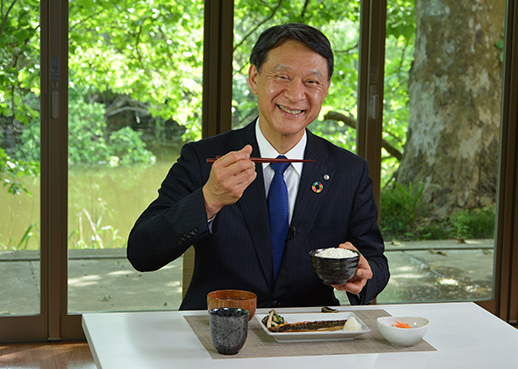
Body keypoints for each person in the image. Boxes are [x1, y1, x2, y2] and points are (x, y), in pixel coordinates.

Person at [127, 23, 390, 309]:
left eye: (311, 82)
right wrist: (208, 199)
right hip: (217, 330)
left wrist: (365, 275)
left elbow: (375, 261)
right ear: (254, 78)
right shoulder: (204, 158)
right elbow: (142, 253)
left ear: (325, 89)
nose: (294, 94)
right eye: (282, 77)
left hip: (309, 333)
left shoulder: (349, 170)